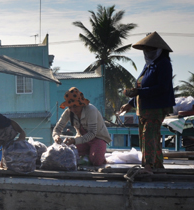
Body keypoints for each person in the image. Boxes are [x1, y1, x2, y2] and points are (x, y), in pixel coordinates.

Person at [120, 32, 176, 174]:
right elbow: (139, 89)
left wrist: (140, 92)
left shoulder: (164, 64)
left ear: (157, 50)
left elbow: (163, 87)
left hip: (156, 108)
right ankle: (157, 164)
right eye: (145, 49)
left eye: (149, 49)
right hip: (143, 108)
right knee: (149, 136)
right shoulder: (148, 66)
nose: (146, 52)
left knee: (148, 135)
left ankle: (148, 166)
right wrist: (130, 103)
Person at [52, 87, 111, 167]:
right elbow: (57, 128)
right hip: (82, 139)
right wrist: (56, 136)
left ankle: (96, 154)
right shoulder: (68, 112)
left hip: (97, 138)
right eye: (70, 107)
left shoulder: (91, 110)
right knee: (66, 152)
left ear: (81, 104)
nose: (73, 109)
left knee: (96, 161)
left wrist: (74, 141)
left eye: (75, 106)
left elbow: (92, 133)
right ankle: (88, 153)